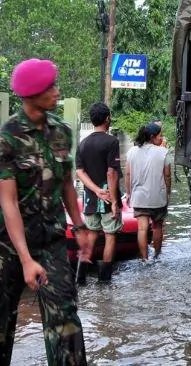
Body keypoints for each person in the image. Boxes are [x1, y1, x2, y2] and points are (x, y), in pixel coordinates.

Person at [0, 58, 89, 366]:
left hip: (50, 237)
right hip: (7, 242)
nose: (57, 90)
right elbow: (8, 202)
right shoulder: (3, 141)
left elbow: (67, 183)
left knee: (65, 316)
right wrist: (26, 260)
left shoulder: (61, 132)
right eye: (50, 86)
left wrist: (79, 228)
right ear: (32, 93)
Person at [74, 102, 124, 284]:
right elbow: (112, 172)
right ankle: (104, 281)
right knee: (110, 236)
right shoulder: (112, 142)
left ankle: (80, 279)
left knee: (91, 235)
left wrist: (95, 190)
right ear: (107, 119)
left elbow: (79, 172)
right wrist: (114, 201)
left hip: (90, 197)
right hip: (108, 196)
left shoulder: (83, 143)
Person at [127, 122, 172, 264]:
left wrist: (129, 194)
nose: (162, 138)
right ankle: (157, 256)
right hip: (157, 197)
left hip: (139, 197)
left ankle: (144, 259)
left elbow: (128, 174)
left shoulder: (131, 152)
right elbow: (167, 176)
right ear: (152, 137)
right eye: (160, 135)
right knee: (158, 227)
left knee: (142, 229)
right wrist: (168, 193)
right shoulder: (163, 152)